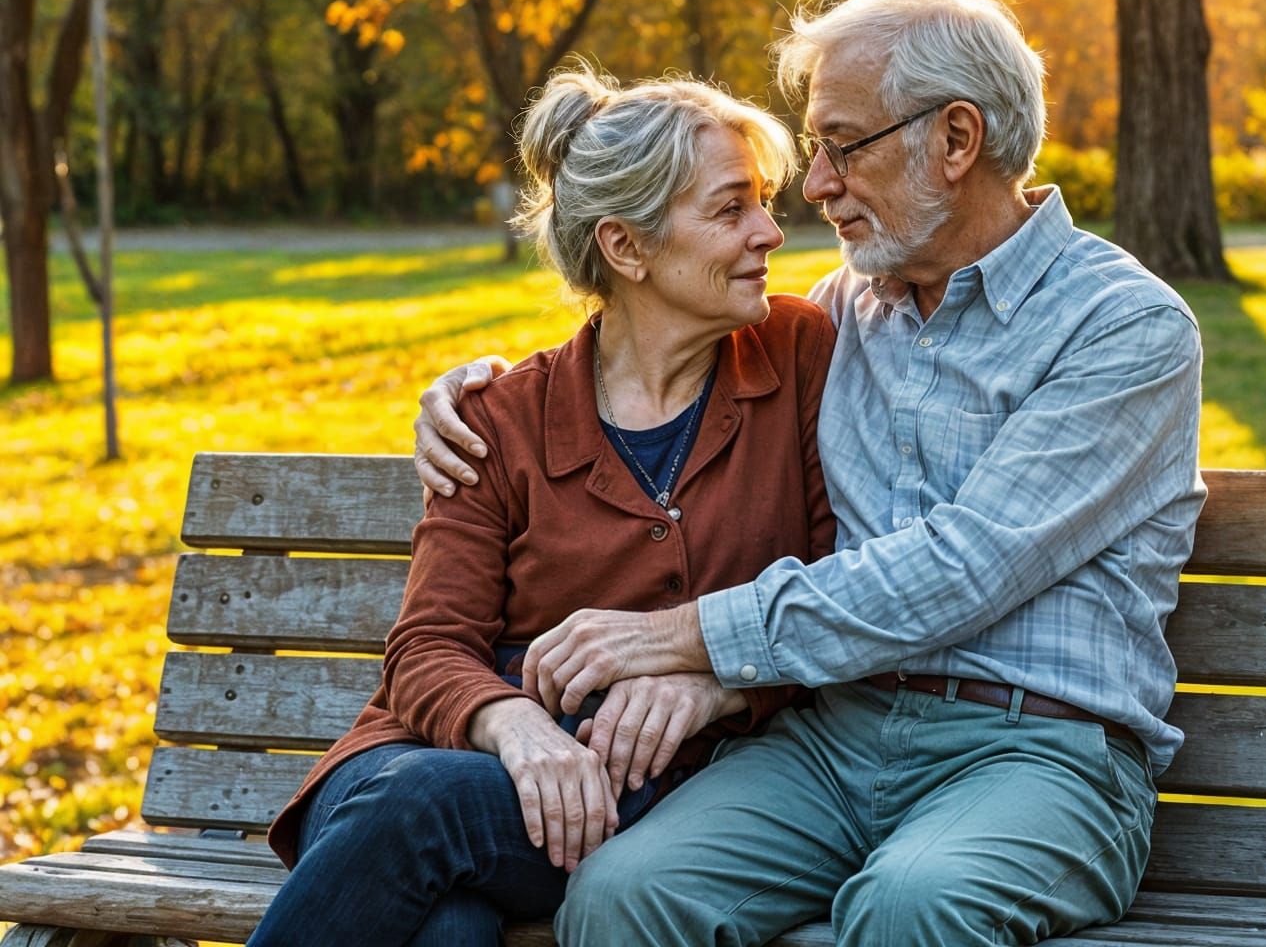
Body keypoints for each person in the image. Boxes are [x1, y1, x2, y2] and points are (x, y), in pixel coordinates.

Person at [415, 0, 1206, 946]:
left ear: (957, 141)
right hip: (833, 740)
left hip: (1040, 754)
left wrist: (683, 640)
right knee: (626, 895)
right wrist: (475, 392)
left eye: (842, 145)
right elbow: (649, 343)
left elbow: (962, 568)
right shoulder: (837, 314)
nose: (817, 185)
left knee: (911, 907)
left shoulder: (1122, 329)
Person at [247, 65, 837, 947]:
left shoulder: (799, 357)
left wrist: (720, 681)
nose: (769, 232)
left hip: (632, 782)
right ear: (626, 248)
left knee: (446, 923)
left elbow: (844, 589)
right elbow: (428, 648)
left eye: (763, 201)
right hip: (426, 758)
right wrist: (517, 727)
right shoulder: (500, 418)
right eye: (730, 210)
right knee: (421, 826)